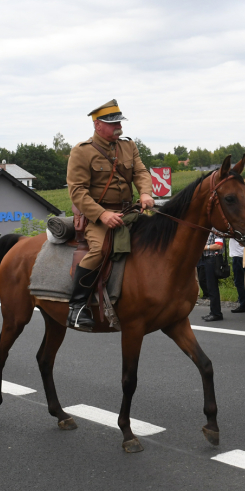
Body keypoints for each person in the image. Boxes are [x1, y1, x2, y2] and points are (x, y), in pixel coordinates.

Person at [64, 100, 154, 330]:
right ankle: (77, 307)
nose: (118, 127)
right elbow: (77, 192)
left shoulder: (128, 146)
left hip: (129, 211)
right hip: (98, 215)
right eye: (112, 123)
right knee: (100, 250)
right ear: (97, 125)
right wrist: (102, 215)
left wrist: (144, 193)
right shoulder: (81, 151)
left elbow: (141, 171)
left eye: (119, 122)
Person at [197, 232, 225, 321]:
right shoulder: (209, 229)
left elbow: (219, 245)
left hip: (213, 259)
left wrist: (204, 247)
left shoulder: (216, 230)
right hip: (207, 258)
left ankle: (216, 313)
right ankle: (214, 312)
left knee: (212, 286)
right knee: (209, 285)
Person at [228, 235, 245, 313]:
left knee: (239, 281)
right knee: (244, 281)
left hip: (238, 255)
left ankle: (243, 304)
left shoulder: (234, 229)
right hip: (241, 255)